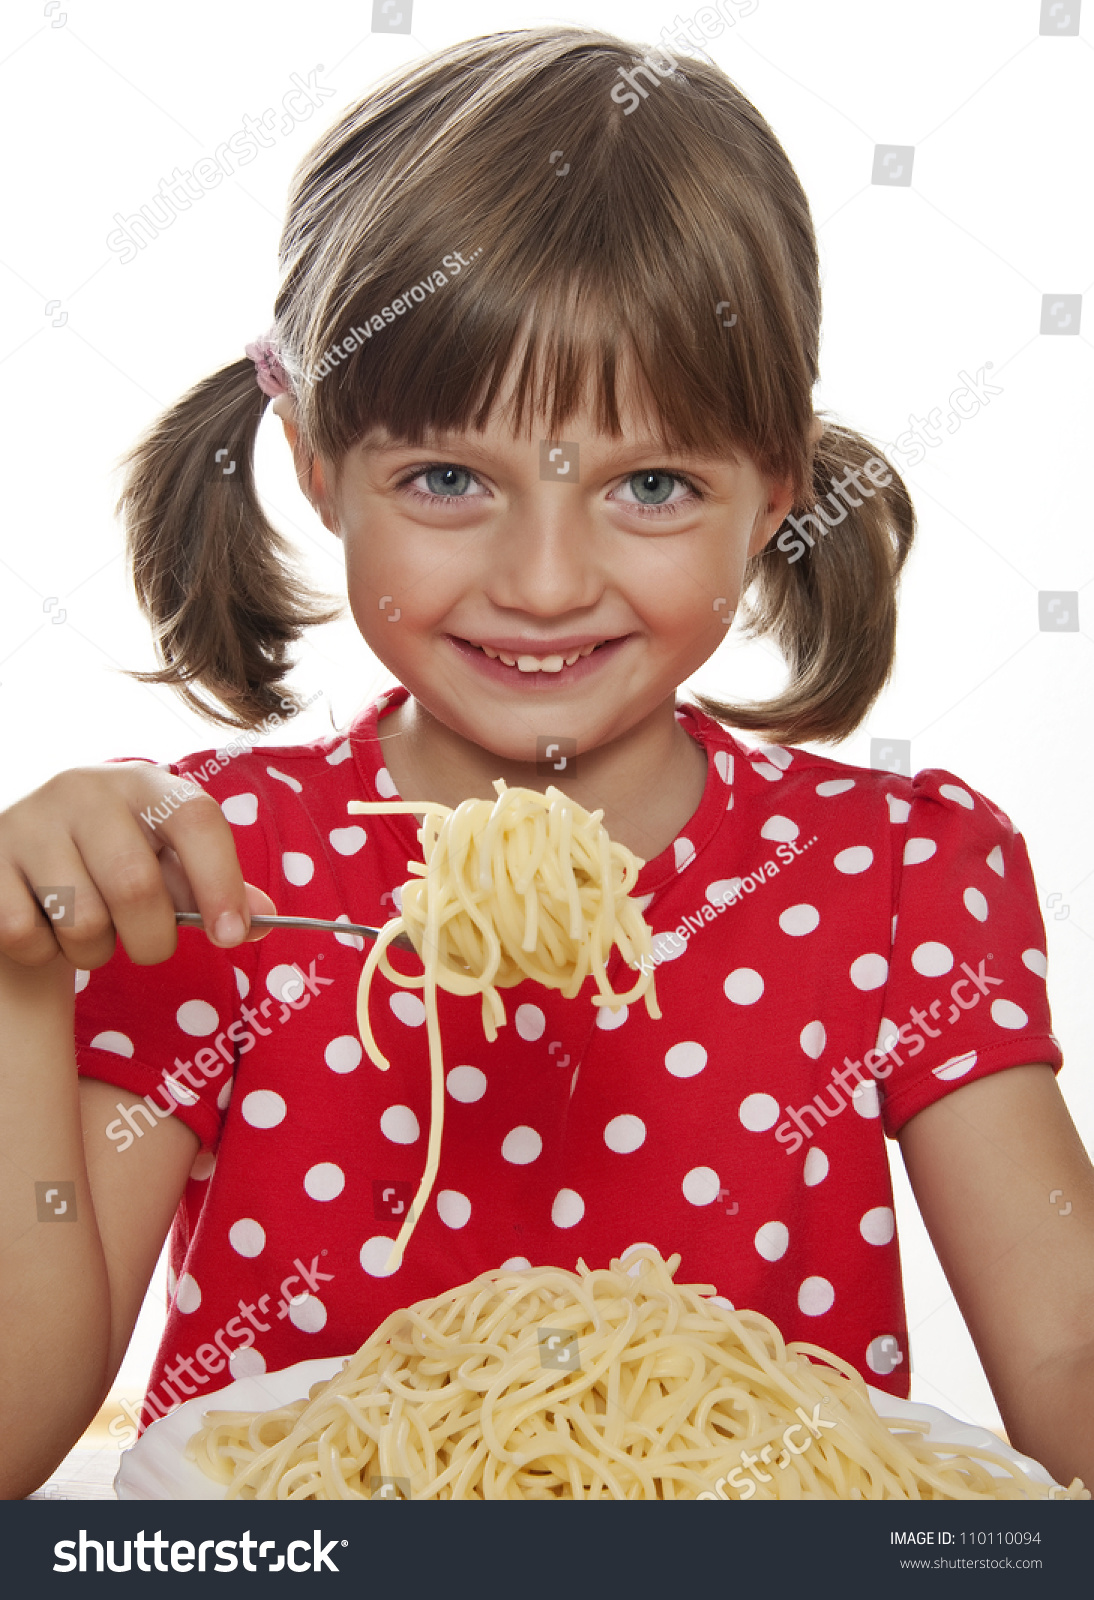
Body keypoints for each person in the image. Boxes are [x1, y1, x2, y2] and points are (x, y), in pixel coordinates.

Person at [2, 25, 1091, 1502]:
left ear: (775, 491)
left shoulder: (896, 877)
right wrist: (15, 973)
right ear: (318, 462)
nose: (541, 578)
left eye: (650, 484)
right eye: (447, 479)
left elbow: (1066, 1350)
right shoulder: (210, 872)